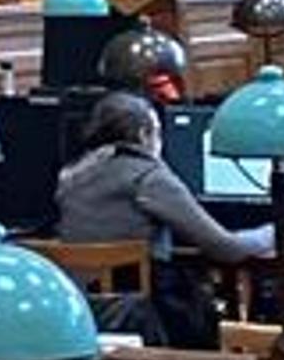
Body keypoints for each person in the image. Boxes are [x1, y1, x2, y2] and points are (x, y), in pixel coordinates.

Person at [52, 93, 269, 264]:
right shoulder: (147, 176)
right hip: (135, 310)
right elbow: (225, 248)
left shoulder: (73, 174)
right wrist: (272, 234)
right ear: (144, 134)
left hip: (81, 307)